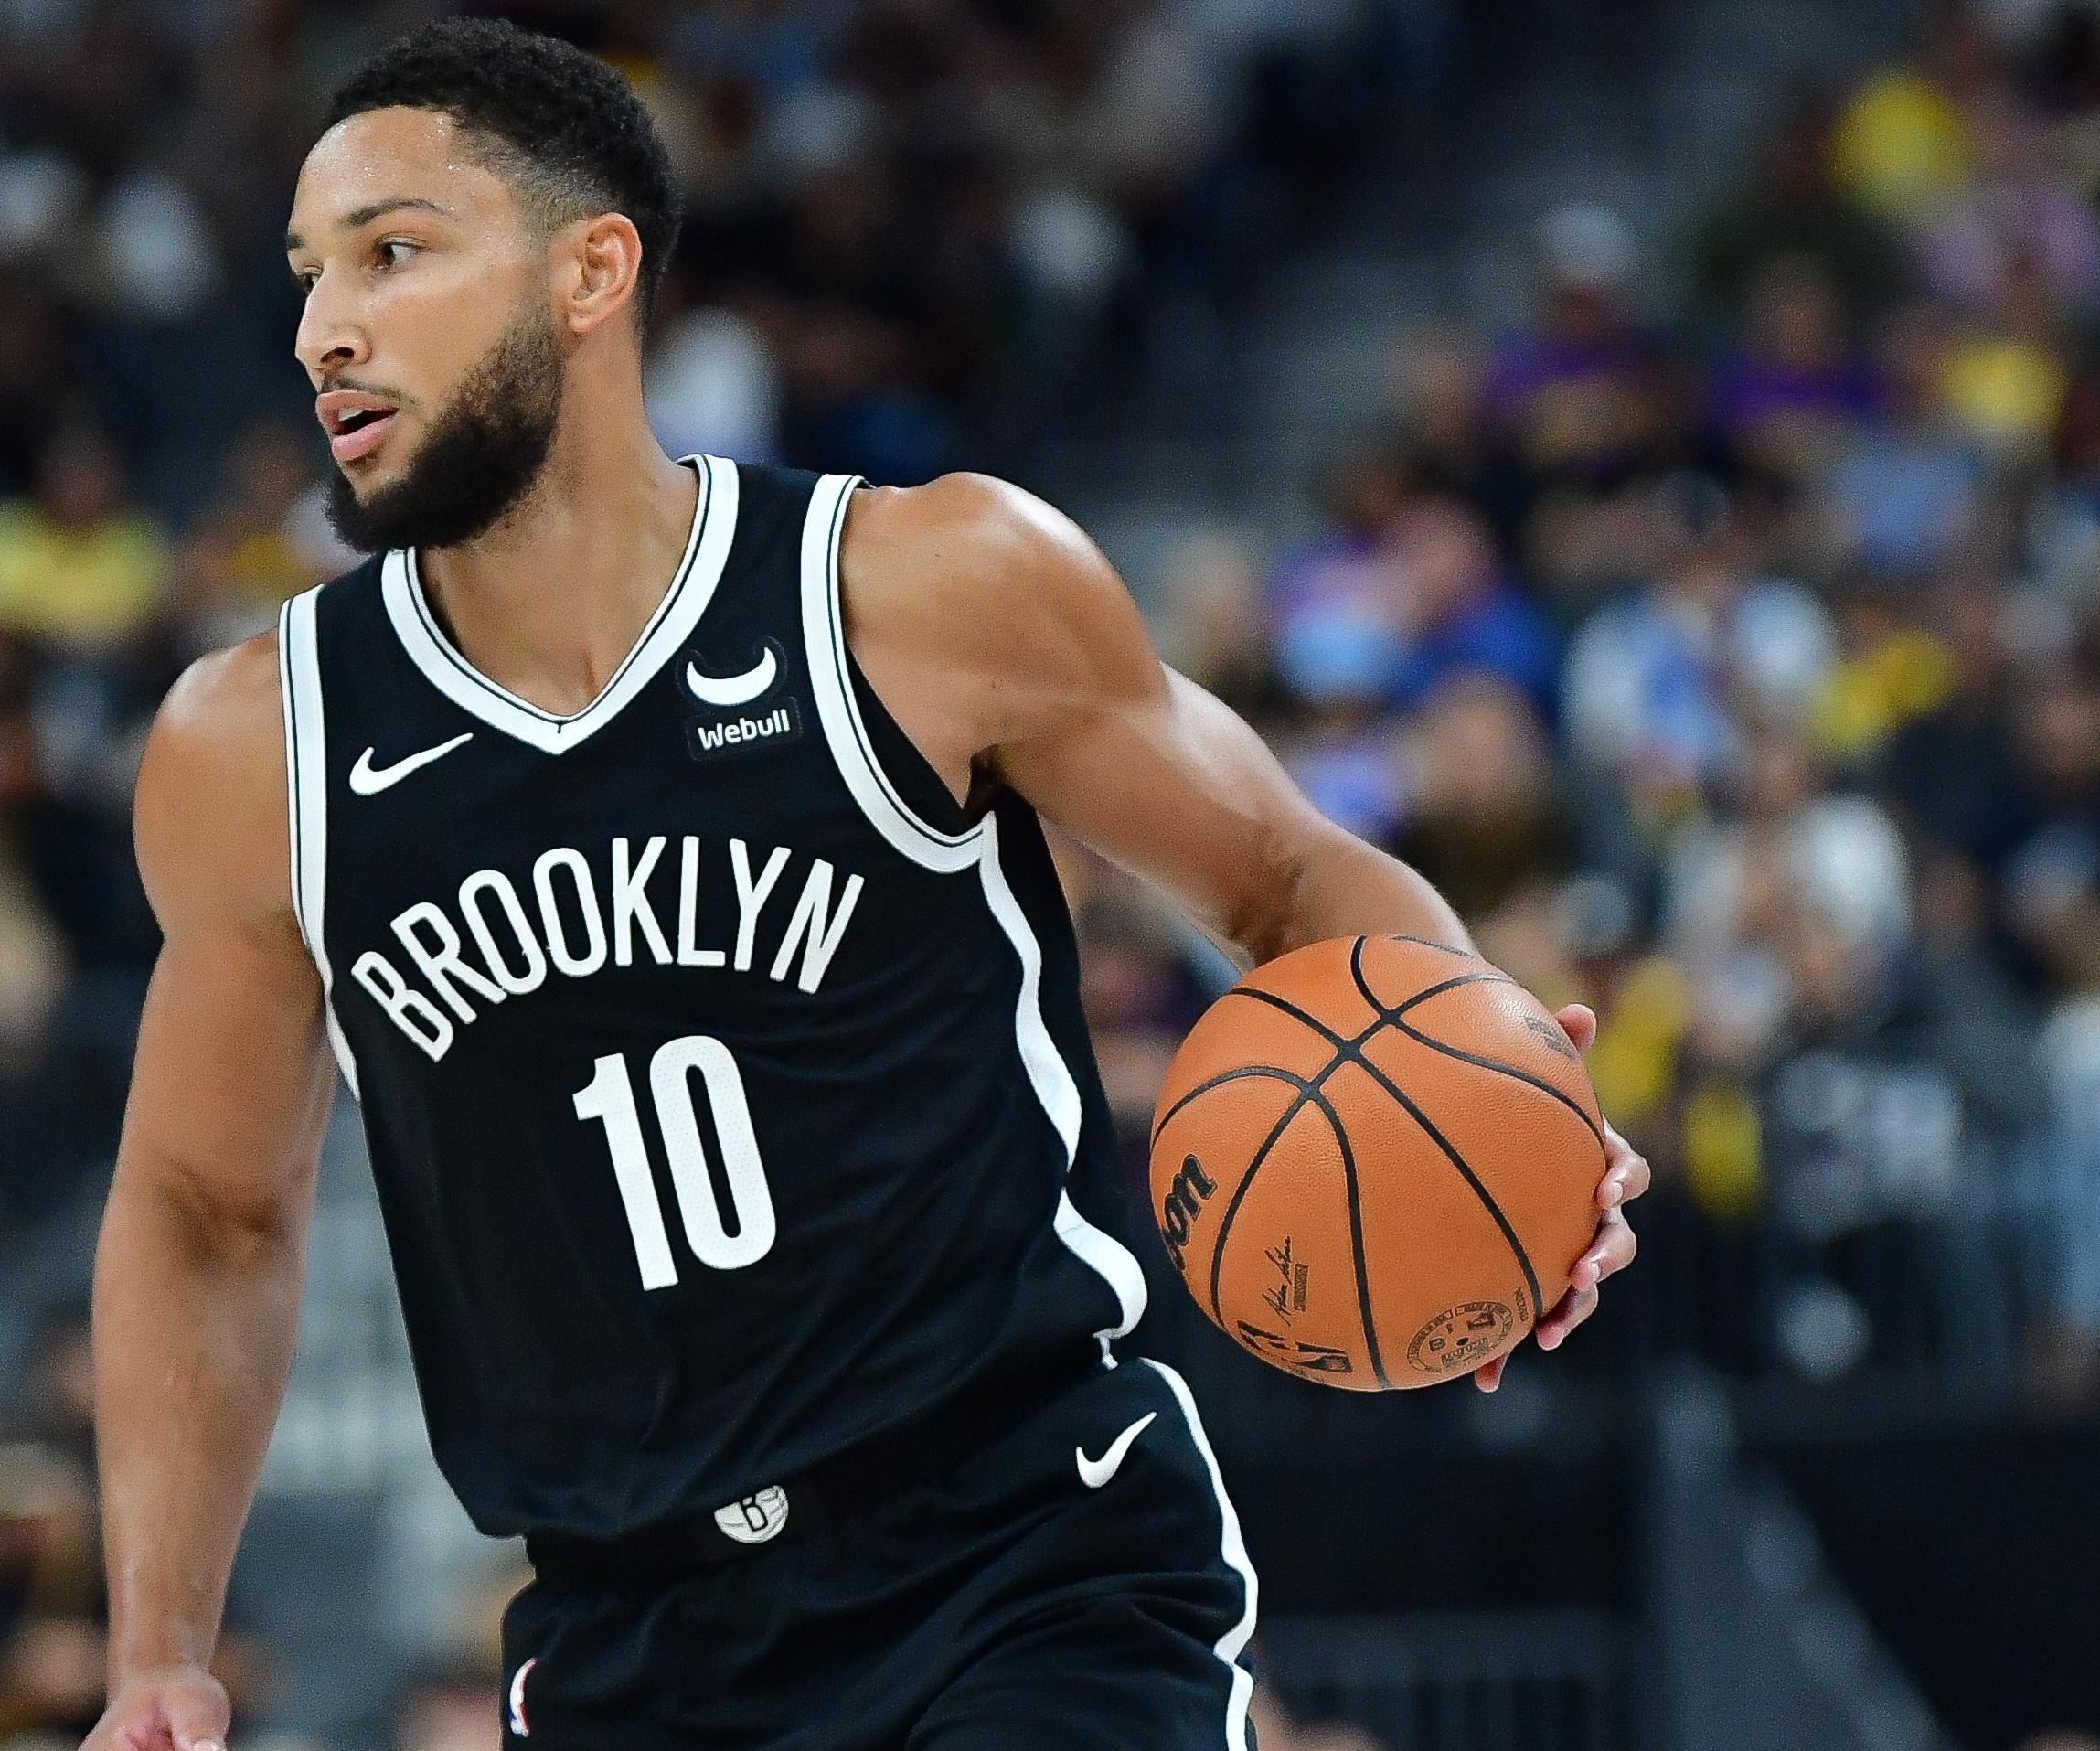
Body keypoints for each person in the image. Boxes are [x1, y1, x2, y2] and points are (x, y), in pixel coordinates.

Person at [84, 22, 1650, 1751]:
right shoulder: (257, 753)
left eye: (394, 251)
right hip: (630, 1632)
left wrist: (1499, 1104)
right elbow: (204, 1211)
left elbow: (1287, 877)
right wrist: (160, 1651)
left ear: (591, 271)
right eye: (307, 275)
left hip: (1024, 1554)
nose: (325, 328)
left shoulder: (922, 590)